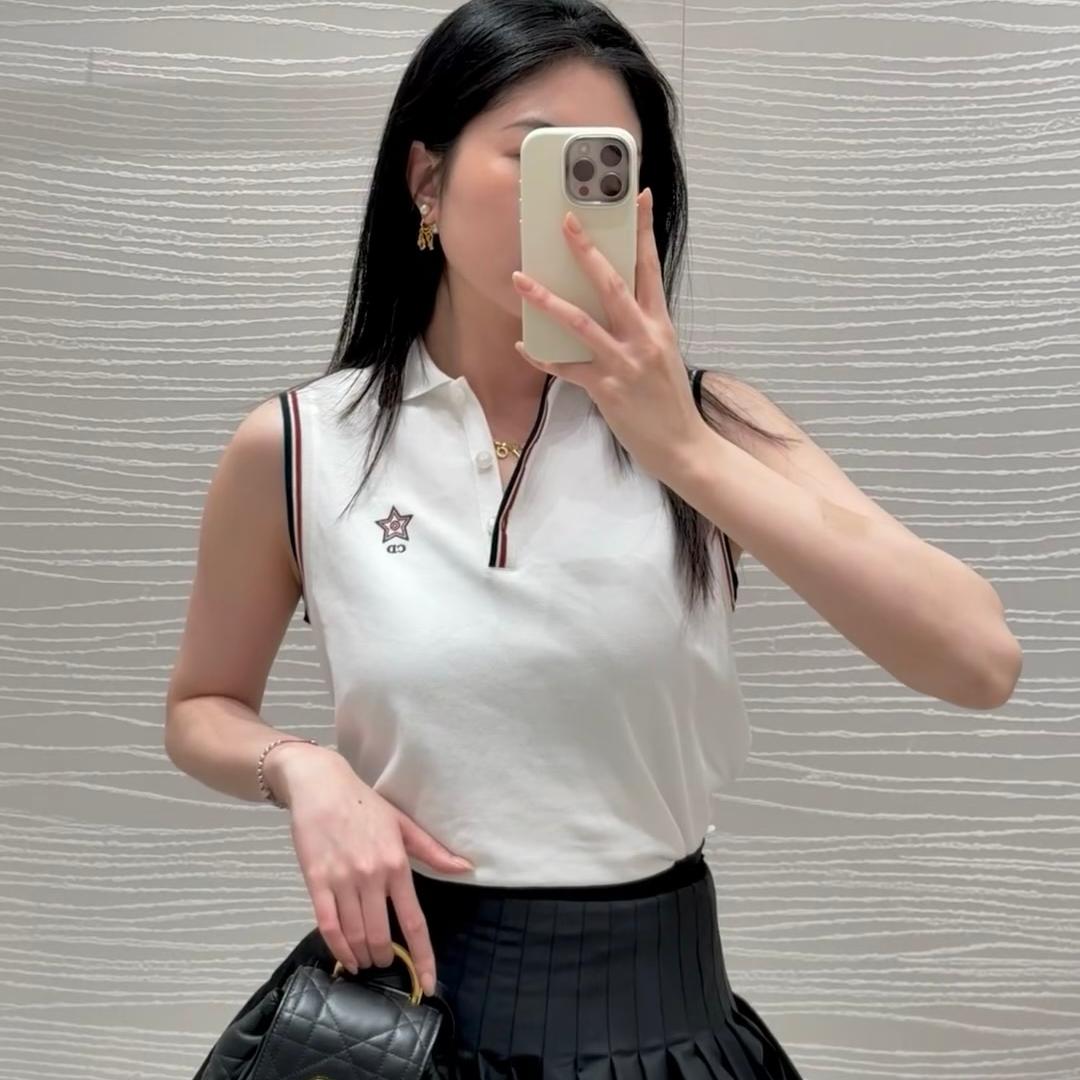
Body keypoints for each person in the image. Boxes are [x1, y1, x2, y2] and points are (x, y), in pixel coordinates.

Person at [166, 2, 1022, 1078]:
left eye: (604, 170)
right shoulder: (300, 445)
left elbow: (979, 660)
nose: (568, 209)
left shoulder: (712, 429)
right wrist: (303, 771)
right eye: (537, 159)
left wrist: (683, 448)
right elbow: (201, 707)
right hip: (402, 1024)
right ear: (426, 178)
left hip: (661, 1023)